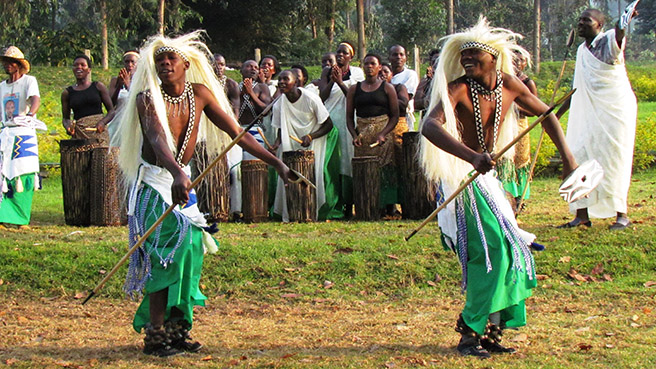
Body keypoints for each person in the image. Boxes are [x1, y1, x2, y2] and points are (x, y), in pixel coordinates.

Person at [115, 31, 293, 357]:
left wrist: (277, 163)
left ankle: (177, 329)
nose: (165, 64)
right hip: (156, 183)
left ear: (185, 64)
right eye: (159, 60)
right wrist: (177, 173)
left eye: (171, 59)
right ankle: (155, 335)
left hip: (180, 183)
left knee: (193, 249)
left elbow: (237, 133)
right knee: (169, 251)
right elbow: (156, 140)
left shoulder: (199, 94)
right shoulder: (147, 98)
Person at [419, 18, 577, 357]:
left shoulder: (509, 84)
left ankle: (491, 331)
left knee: (509, 251)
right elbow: (430, 127)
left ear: (493, 57)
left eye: (474, 55)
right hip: (460, 176)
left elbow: (546, 114)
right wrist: (472, 156)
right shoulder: (458, 88)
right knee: (489, 251)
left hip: (485, 178)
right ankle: (469, 334)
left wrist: (568, 159)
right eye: (463, 56)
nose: (467, 60)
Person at [556, 8, 638, 230]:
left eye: (587, 20)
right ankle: (581, 215)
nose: (581, 23)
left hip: (614, 112)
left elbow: (619, 35)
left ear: (599, 25)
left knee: (614, 161)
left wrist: (624, 22)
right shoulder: (582, 50)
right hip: (586, 114)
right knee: (578, 155)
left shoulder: (609, 40)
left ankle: (621, 214)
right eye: (580, 19)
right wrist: (556, 115)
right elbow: (577, 88)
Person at [271, 70, 339, 221]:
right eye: (279, 79)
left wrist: (311, 136)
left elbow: (328, 125)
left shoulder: (311, 98)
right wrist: (276, 144)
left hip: (314, 142)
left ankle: (311, 211)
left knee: (312, 177)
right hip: (290, 144)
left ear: (295, 82)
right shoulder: (278, 104)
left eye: (285, 79)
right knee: (289, 177)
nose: (281, 82)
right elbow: (281, 129)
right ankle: (293, 211)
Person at [346, 54, 400, 216]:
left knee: (385, 168)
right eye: (366, 63)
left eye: (373, 64)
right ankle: (367, 204)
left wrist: (383, 133)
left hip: (382, 133)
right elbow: (349, 117)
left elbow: (395, 116)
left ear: (379, 67)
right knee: (365, 170)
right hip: (362, 133)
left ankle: (388, 206)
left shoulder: (387, 88)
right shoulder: (354, 89)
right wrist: (354, 135)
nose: (369, 66)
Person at [319, 42, 364, 218]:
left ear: (350, 56)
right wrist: (332, 80)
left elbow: (355, 97)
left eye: (344, 53)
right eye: (338, 52)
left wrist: (340, 82)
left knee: (347, 160)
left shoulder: (357, 73)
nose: (340, 55)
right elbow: (322, 96)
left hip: (348, 120)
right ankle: (332, 203)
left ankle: (348, 204)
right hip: (331, 120)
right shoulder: (327, 71)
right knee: (331, 161)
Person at [0, 46, 41, 229]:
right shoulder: (2, 86)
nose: (7, 65)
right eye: (5, 62)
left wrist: (31, 114)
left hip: (23, 133)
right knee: (3, 174)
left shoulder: (28, 81)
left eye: (11, 62)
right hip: (6, 133)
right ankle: (2, 216)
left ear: (19, 65)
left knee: (22, 174)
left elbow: (35, 99)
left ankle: (21, 219)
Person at [504, 50, 538, 209]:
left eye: (520, 60)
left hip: (519, 125)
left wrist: (514, 106)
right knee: (505, 159)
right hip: (504, 126)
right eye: (514, 59)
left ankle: (520, 197)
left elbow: (534, 110)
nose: (516, 63)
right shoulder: (504, 79)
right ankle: (506, 194)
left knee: (520, 160)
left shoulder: (527, 83)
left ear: (525, 63)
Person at [61, 55, 113, 145]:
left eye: (83, 65)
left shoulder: (98, 86)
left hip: (99, 134)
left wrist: (102, 123)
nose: (79, 67)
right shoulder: (67, 93)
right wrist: (68, 127)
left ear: (89, 69)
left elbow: (111, 111)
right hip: (80, 135)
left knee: (101, 158)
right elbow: (66, 118)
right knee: (81, 158)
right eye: (76, 65)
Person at [107, 51, 140, 141]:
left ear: (138, 64)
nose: (130, 64)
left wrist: (128, 85)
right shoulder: (115, 80)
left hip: (134, 122)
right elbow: (111, 104)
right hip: (117, 122)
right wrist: (119, 86)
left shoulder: (141, 81)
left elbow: (139, 100)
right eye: (127, 61)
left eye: (133, 62)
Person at [388, 45, 419, 130]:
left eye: (401, 54)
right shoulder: (384, 75)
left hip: (404, 118)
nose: (398, 57)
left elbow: (406, 98)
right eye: (395, 54)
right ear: (389, 58)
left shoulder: (410, 75)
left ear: (406, 58)